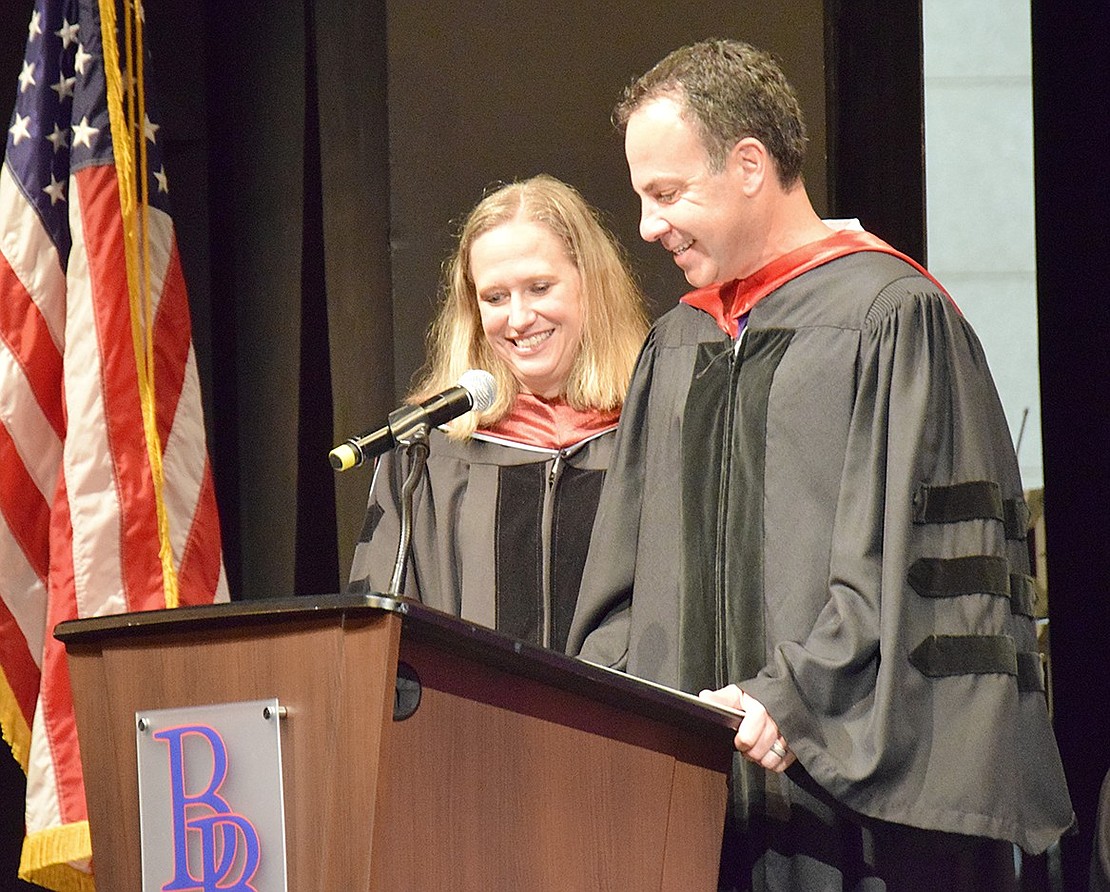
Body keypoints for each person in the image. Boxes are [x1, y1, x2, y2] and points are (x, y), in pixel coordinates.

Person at [566, 39, 1073, 890]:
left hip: (850, 808)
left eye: (666, 194)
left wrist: (791, 700)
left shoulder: (893, 317)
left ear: (751, 165)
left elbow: (919, 562)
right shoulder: (678, 343)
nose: (649, 226)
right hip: (693, 806)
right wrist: (633, 711)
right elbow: (620, 577)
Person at [349, 174, 649, 652]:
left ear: (590, 286)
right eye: (494, 297)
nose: (518, 317)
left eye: (539, 287)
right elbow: (381, 644)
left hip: (619, 721)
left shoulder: (649, 436)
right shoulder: (426, 455)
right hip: (469, 723)